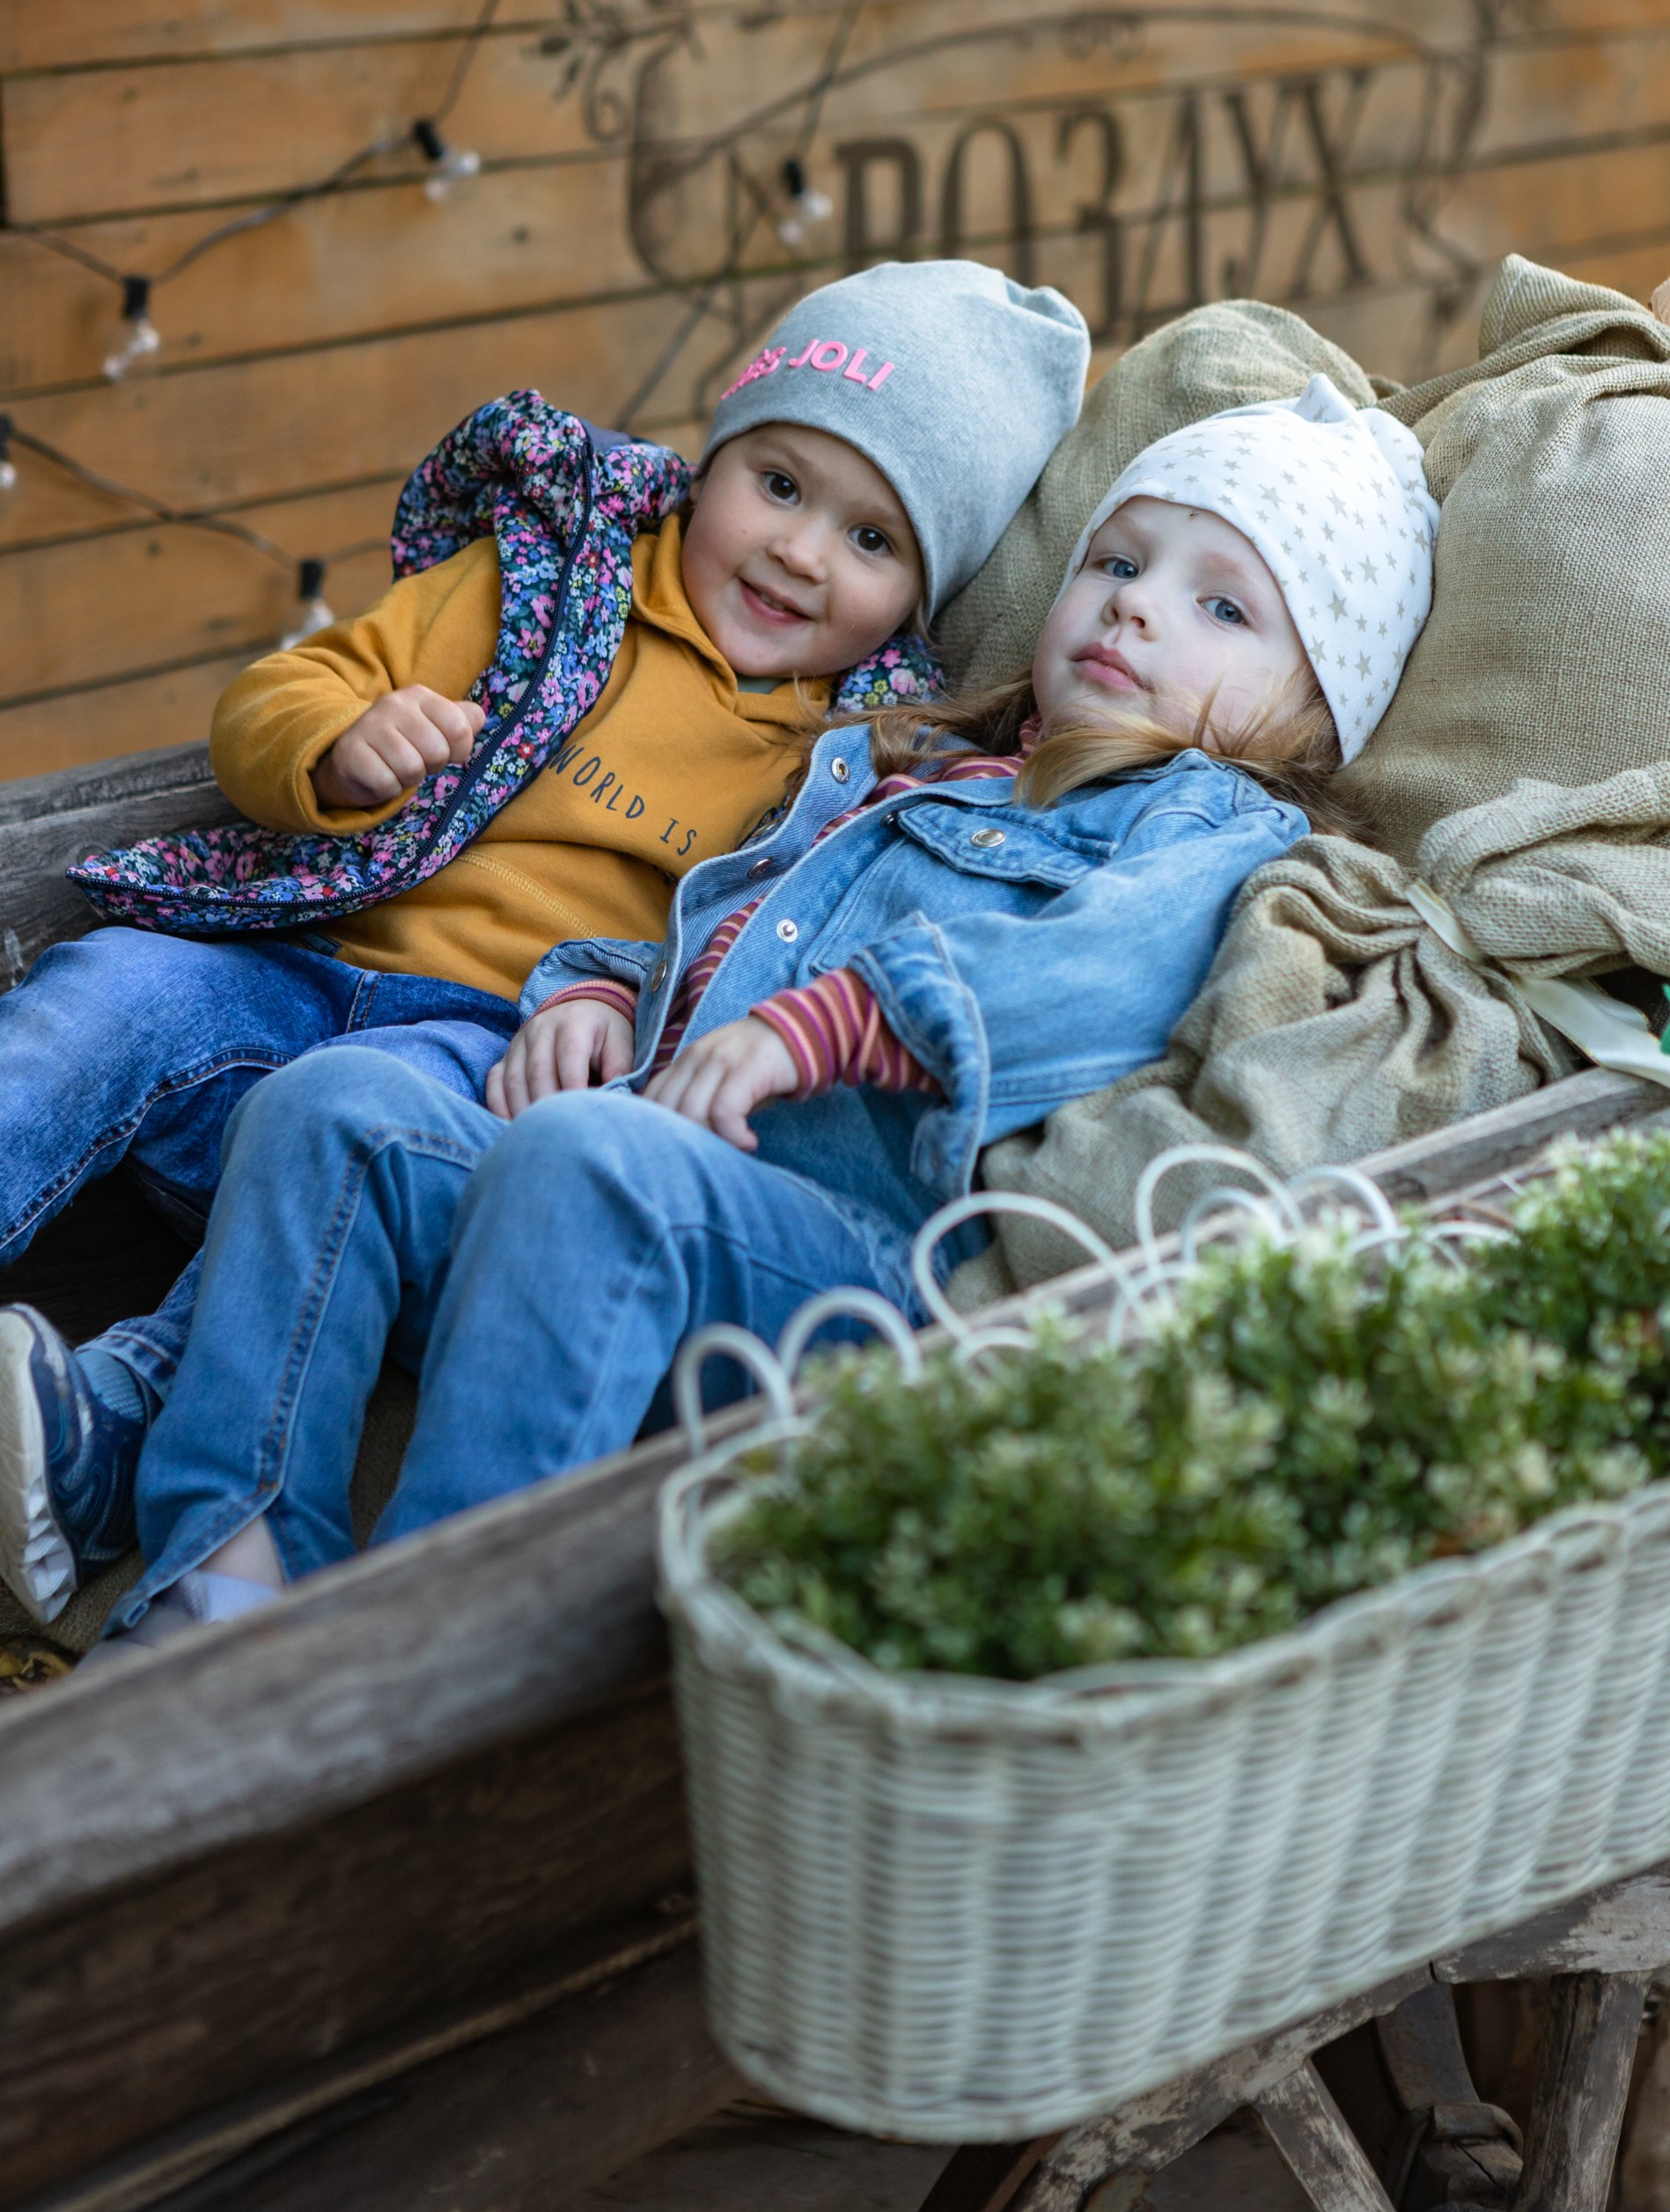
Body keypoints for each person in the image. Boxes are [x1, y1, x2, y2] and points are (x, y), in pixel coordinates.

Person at [91, 374, 1439, 1650]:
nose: (1137, 609)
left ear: (1316, 716)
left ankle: (416, 1671)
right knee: (339, 1105)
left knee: (588, 1164)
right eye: (1121, 563)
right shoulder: (910, 763)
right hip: (623, 1181)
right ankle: (227, 1575)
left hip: (834, 1283)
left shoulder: (1208, 827)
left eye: (1225, 610)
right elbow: (715, 915)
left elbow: (1095, 977)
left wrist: (835, 1024)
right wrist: (605, 992)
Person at [0, 261, 1092, 1625]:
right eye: (783, 485)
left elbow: (765, 953)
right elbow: (293, 684)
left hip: (483, 1044)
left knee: (348, 1146)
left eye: (876, 543)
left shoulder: (862, 757)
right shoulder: (549, 574)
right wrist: (339, 748)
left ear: (925, 591)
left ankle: (112, 1442)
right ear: (718, 450)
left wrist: (627, 1005)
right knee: (97, 994)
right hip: (290, 958)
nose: (803, 550)